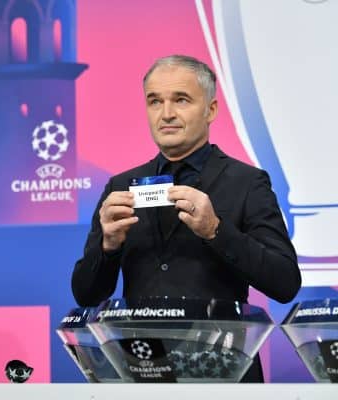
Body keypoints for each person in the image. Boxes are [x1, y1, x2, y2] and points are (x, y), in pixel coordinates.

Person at [71, 55, 301, 382]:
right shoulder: (120, 187)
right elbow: (86, 296)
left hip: (224, 373)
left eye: (181, 99)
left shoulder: (247, 182)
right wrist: (108, 247)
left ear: (211, 110)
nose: (166, 114)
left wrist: (216, 231)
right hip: (145, 371)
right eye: (155, 101)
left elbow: (285, 282)